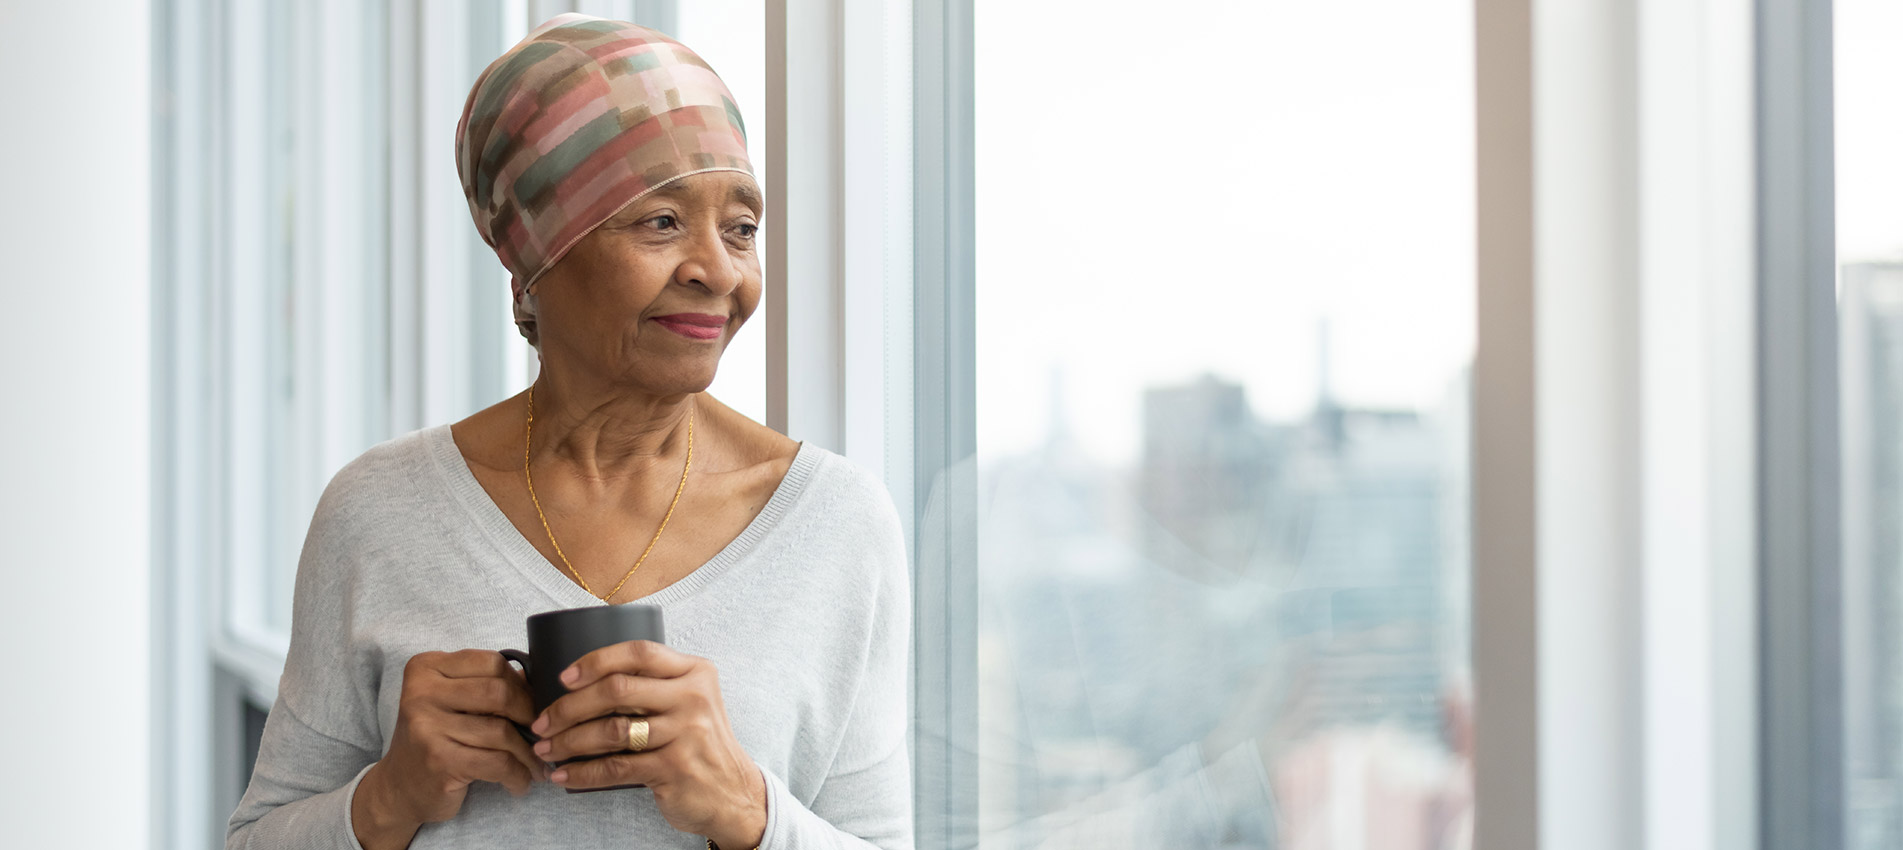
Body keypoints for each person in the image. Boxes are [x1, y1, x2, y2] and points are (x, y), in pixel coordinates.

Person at [225, 14, 912, 850]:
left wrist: (747, 810)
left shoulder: (836, 522)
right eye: (660, 222)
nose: (718, 271)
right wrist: (389, 796)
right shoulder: (377, 511)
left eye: (740, 227)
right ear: (533, 257)